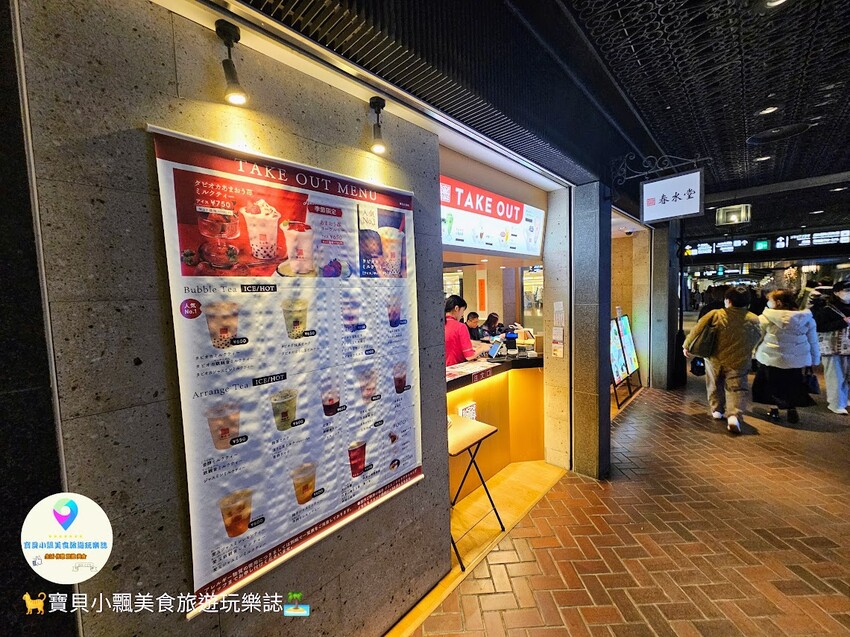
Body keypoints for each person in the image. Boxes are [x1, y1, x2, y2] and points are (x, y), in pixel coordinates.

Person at [683, 286, 761, 433]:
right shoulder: (753, 318)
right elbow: (757, 337)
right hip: (739, 360)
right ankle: (734, 416)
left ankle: (717, 410)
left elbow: (697, 329)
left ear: (728, 300)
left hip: (715, 358)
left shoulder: (716, 314)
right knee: (737, 388)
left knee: (714, 383)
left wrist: (687, 346)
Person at [752, 289, 819, 423]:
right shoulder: (805, 318)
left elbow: (757, 337)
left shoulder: (766, 318)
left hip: (771, 357)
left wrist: (753, 352)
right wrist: (815, 358)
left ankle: (774, 410)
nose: (768, 303)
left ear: (778, 302)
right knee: (792, 384)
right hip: (796, 359)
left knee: (769, 385)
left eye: (770, 300)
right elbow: (813, 340)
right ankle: (791, 409)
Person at [813, 281, 850, 415]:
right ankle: (836, 403)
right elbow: (819, 327)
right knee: (835, 376)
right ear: (836, 292)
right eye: (845, 290)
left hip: (847, 348)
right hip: (831, 347)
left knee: (847, 375)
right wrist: (842, 322)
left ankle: (844, 399)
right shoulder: (827, 309)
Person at [445, 296, 488, 366]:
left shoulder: (439, 325)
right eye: (462, 311)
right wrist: (482, 348)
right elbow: (469, 356)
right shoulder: (460, 326)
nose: (462, 315)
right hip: (456, 368)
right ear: (456, 308)